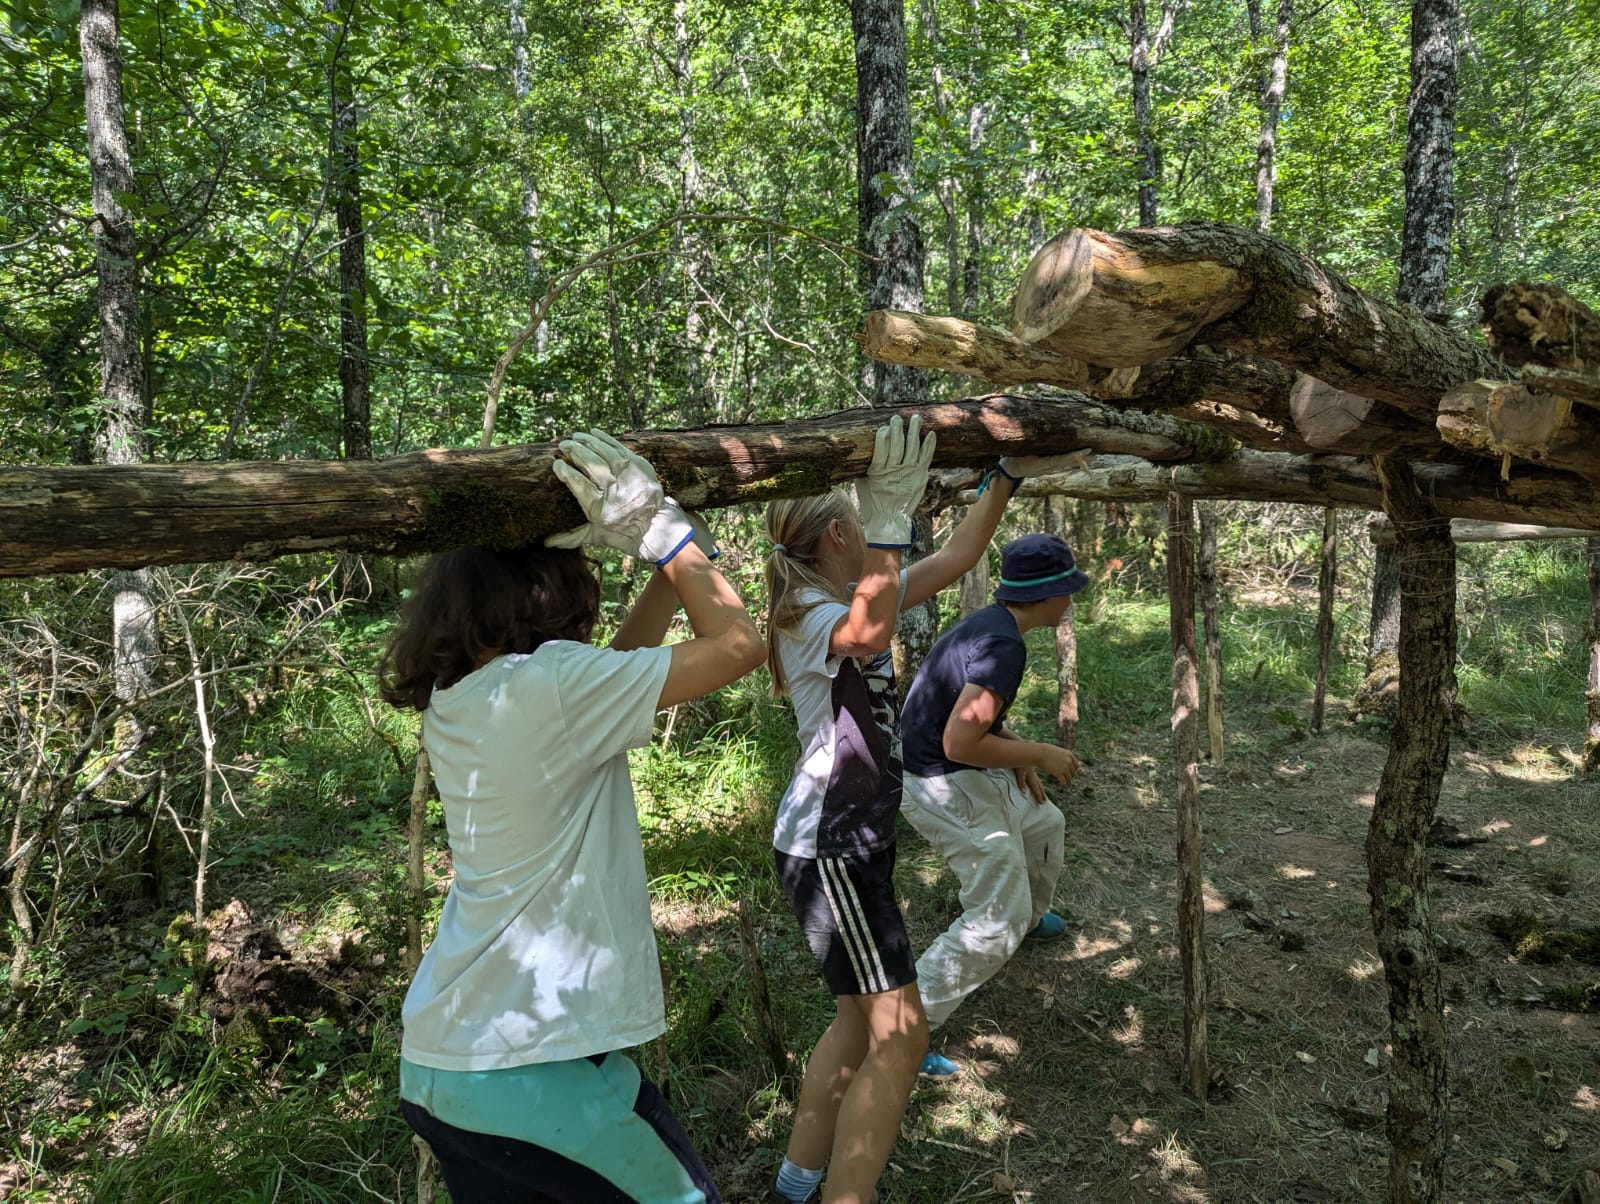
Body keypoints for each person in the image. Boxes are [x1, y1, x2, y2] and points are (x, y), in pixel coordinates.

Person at [380, 429, 765, 1204]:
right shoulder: (550, 684)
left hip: (451, 1062)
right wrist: (667, 538)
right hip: (531, 1067)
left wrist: (671, 564)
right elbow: (739, 645)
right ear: (544, 588)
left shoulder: (463, 698)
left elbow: (614, 673)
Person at [762, 420, 1078, 1204]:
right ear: (841, 534)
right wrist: (890, 523)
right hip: (831, 843)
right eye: (862, 525)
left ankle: (797, 1185)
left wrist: (1002, 475)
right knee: (900, 1038)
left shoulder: (837, 593)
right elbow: (869, 629)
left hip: (844, 841)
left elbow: (961, 558)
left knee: (854, 1025)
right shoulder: (808, 608)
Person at [897, 532, 1089, 1076]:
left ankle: (1027, 920)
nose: (1071, 599)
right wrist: (1042, 753)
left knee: (1043, 821)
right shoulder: (1005, 645)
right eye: (1067, 589)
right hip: (943, 781)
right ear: (1047, 594)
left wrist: (1012, 754)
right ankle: (906, 1034)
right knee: (993, 919)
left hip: (959, 767)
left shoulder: (994, 624)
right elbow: (959, 741)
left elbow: (970, 714)